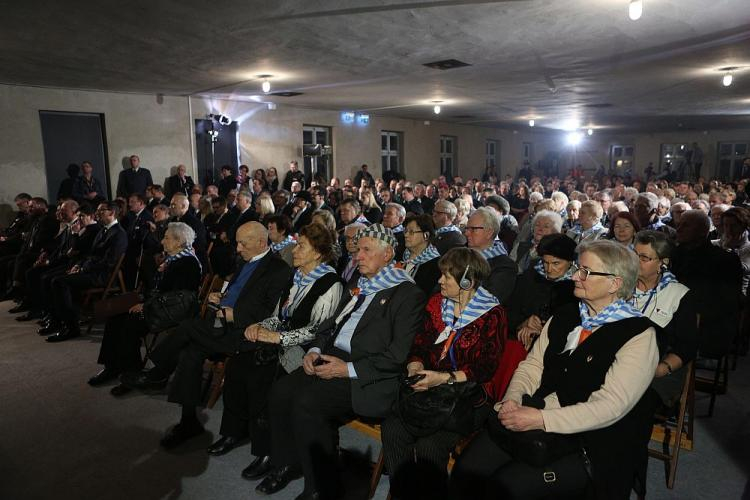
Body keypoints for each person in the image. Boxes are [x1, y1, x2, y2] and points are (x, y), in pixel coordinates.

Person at [450, 239, 659, 500]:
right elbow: (533, 366)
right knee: (467, 470)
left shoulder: (638, 335)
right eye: (577, 269)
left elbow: (610, 407)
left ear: (615, 283)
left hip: (594, 440)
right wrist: (512, 399)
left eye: (586, 272)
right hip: (538, 413)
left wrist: (540, 419)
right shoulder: (567, 315)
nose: (575, 277)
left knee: (509, 486)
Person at [257, 224, 426, 499]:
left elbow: (397, 356)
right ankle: (291, 462)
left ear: (387, 255)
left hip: (368, 372)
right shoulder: (359, 283)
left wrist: (345, 369)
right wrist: (313, 350)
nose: (357, 256)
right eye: (357, 249)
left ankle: (320, 487)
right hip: (333, 355)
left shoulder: (407, 294)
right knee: (280, 392)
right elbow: (328, 326)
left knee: (307, 403)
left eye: (366, 250)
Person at [121, 222, 293, 448]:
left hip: (245, 333)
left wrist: (235, 315)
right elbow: (237, 293)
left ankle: (157, 373)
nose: (238, 248)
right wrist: (220, 298)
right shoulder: (244, 262)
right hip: (219, 325)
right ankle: (188, 421)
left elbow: (271, 311)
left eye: (243, 243)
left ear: (261, 242)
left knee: (188, 327)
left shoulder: (278, 269)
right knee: (190, 355)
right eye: (237, 243)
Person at [207, 224, 343, 481]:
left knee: (262, 377)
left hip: (306, 351)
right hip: (281, 342)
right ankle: (235, 432)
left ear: (317, 252)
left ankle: (269, 451)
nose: (295, 250)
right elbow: (280, 315)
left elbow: (317, 331)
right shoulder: (297, 276)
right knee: (240, 361)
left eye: (301, 246)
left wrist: (276, 336)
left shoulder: (330, 283)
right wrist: (261, 325)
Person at [383, 248, 506, 499]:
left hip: (463, 394)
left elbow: (485, 368)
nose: (439, 281)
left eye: (446, 277)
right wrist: (415, 364)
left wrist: (443, 379)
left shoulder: (492, 314)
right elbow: (419, 342)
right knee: (392, 428)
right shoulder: (437, 303)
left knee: (429, 446)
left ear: (466, 282)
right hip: (427, 386)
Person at [88, 222, 202, 393]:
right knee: (115, 315)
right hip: (158, 305)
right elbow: (157, 288)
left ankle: (131, 375)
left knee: (130, 323)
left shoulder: (187, 263)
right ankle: (111, 366)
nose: (162, 241)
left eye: (167, 238)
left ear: (179, 241)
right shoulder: (173, 259)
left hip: (169, 312)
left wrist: (145, 304)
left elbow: (174, 298)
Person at [45, 201, 128, 342]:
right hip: (90, 270)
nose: (97, 213)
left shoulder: (119, 234)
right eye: (98, 210)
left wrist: (84, 268)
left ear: (112, 213)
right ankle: (59, 320)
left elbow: (109, 262)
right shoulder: (103, 229)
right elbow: (91, 254)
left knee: (59, 282)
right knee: (53, 278)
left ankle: (71, 327)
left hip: (101, 276)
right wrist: (79, 265)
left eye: (101, 211)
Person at [506, 234, 577, 350]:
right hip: (518, 341)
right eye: (545, 262)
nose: (549, 269)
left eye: (556, 263)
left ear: (570, 262)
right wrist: (523, 323)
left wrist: (542, 331)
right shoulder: (528, 277)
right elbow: (509, 312)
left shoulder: (577, 286)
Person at [465, 207, 517, 303]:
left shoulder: (505, 266)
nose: (467, 233)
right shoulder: (460, 253)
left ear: (489, 233)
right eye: (467, 228)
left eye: (473, 229)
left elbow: (488, 301)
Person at [510, 209, 563, 274]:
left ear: (555, 232)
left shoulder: (556, 253)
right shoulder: (520, 245)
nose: (540, 229)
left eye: (546, 226)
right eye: (537, 225)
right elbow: (509, 267)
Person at [401, 214, 441, 296]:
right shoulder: (401, 254)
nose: (406, 235)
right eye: (405, 231)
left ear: (426, 235)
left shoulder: (436, 265)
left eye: (411, 232)